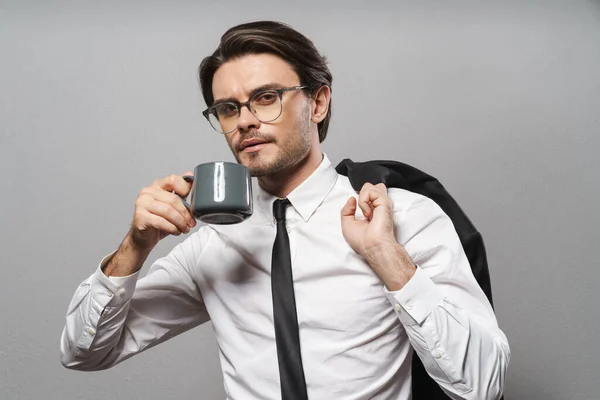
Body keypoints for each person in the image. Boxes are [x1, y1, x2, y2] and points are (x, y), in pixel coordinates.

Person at [60, 20, 510, 400]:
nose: (245, 121)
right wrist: (134, 247)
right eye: (228, 108)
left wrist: (388, 259)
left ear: (318, 102)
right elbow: (84, 352)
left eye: (267, 97)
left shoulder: (403, 217)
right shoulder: (213, 245)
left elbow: (482, 384)